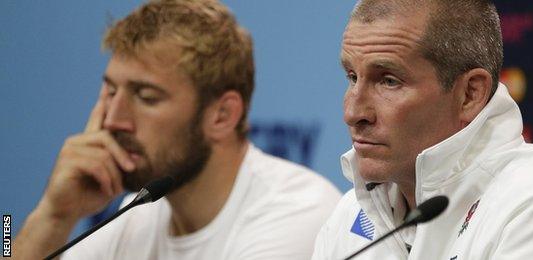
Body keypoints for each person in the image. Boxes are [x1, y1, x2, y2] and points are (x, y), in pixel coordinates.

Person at [14, 0, 341, 259]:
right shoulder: (132, 216)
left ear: (222, 115)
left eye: (146, 97)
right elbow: (4, 241)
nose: (113, 120)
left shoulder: (297, 211)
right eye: (111, 92)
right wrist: (53, 215)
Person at [312, 0, 533, 259]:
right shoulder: (349, 217)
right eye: (352, 77)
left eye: (389, 81)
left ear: (469, 95)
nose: (353, 112)